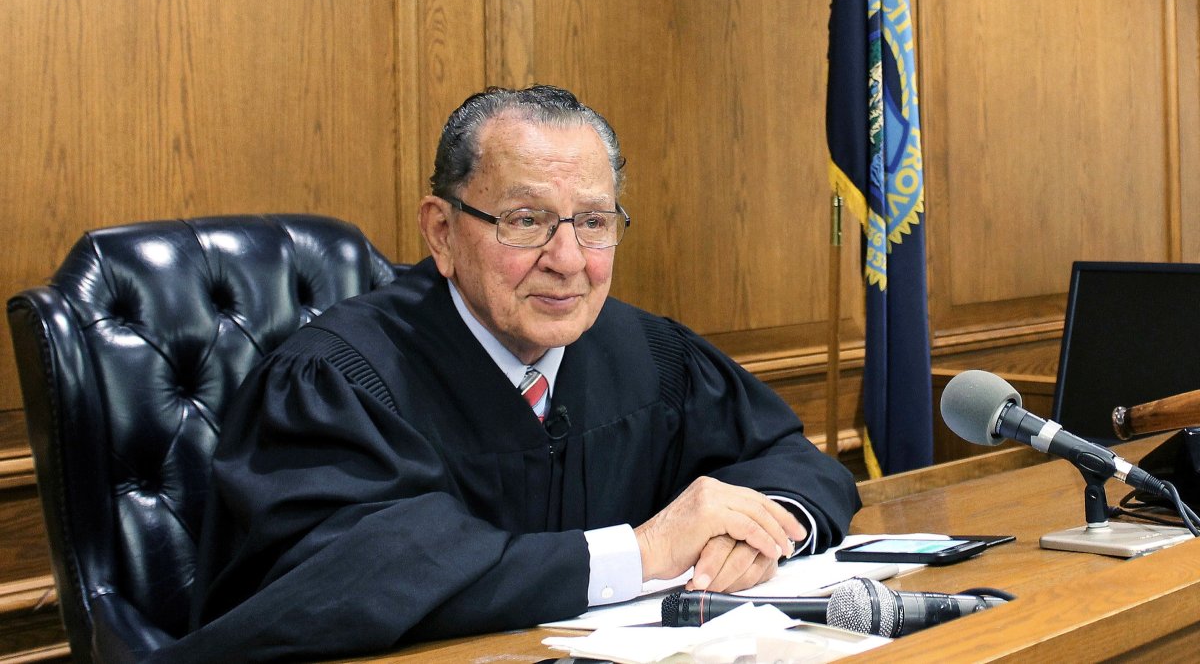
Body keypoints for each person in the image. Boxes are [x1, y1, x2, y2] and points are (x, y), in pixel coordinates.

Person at [156, 84, 860, 662]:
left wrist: (765, 528)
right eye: (527, 220)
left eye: (593, 221)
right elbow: (362, 580)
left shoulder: (649, 354)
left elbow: (793, 461)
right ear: (441, 230)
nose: (569, 258)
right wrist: (641, 552)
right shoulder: (334, 381)